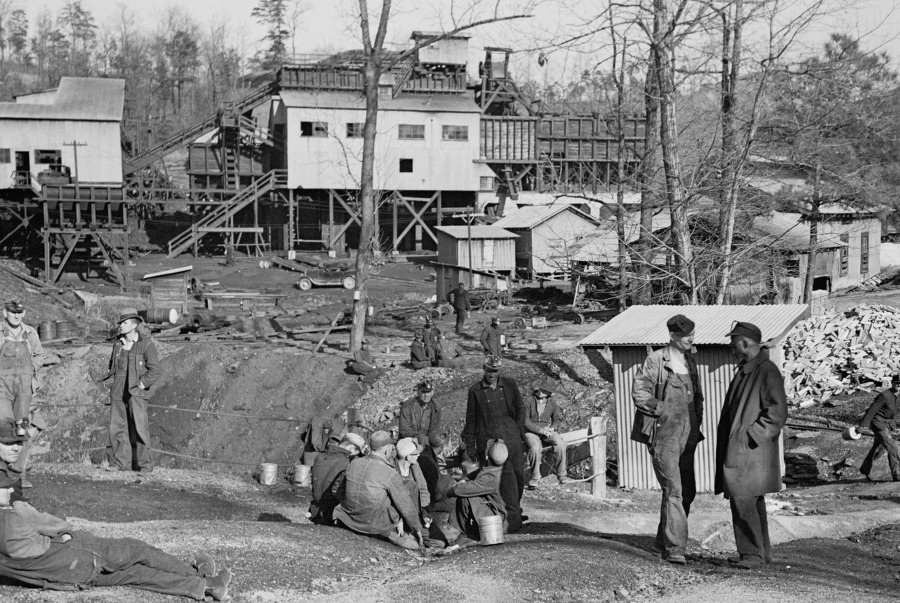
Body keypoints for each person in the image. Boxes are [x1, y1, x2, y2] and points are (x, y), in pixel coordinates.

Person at [0, 422, 232, 600]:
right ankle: (202, 577)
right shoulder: (12, 506)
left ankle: (205, 586)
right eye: (10, 443)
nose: (17, 448)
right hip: (75, 555)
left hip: (64, 578)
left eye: (18, 443)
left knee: (138, 576)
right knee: (138, 550)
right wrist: (62, 530)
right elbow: (53, 523)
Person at [630, 314, 705, 565]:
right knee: (674, 490)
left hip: (689, 433)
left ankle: (662, 541)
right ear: (672, 336)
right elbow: (639, 392)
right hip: (665, 435)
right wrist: (660, 408)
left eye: (693, 335)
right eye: (686, 336)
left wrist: (696, 424)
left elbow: (698, 397)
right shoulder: (656, 360)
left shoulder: (690, 361)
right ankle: (675, 548)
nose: (691, 340)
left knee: (688, 491)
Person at [716, 321, 787, 570]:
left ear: (744, 342)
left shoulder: (766, 370)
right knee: (751, 501)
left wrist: (751, 435)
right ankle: (760, 553)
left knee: (742, 499)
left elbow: (777, 413)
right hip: (746, 450)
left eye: (733, 341)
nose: (730, 346)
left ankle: (752, 556)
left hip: (750, 451)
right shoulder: (748, 368)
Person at [462, 355, 527, 532]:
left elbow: (521, 408)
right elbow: (471, 420)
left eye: (495, 371)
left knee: (517, 476)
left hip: (511, 437)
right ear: (484, 369)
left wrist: (517, 428)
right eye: (489, 370)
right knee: (494, 478)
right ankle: (497, 513)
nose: (492, 374)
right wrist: (471, 445)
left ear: (500, 371)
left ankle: (515, 512)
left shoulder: (510, 384)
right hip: (489, 440)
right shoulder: (475, 391)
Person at [333, 431, 424, 550]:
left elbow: (336, 490)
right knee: (409, 487)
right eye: (392, 448)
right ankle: (404, 532)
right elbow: (406, 506)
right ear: (387, 450)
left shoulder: (354, 463)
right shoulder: (389, 472)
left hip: (348, 519)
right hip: (372, 525)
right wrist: (417, 529)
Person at [101, 308, 161, 474]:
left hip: (136, 391)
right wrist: (112, 385)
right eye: (121, 323)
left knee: (140, 427)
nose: (121, 326)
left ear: (134, 325)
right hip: (118, 391)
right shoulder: (118, 344)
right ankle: (121, 463)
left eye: (125, 323)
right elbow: (111, 367)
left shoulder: (146, 344)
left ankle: (145, 465)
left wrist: (141, 385)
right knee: (117, 427)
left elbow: (155, 370)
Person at [0, 300, 47, 484]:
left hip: (24, 389)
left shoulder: (30, 333)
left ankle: (18, 476)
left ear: (24, 313)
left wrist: (31, 371)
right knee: (3, 427)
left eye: (20, 312)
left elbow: (39, 354)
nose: (17, 316)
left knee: (21, 428)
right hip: (2, 388)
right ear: (5, 313)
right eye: (13, 312)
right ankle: (2, 476)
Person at [448, 439, 509, 543]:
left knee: (466, 497)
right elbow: (479, 473)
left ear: (486, 456)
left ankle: (466, 534)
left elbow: (461, 490)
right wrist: (465, 479)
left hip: (499, 522)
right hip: (508, 516)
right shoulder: (505, 470)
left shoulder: (490, 478)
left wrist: (451, 489)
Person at [308, 432, 368, 525]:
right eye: (357, 453)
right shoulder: (348, 464)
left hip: (315, 510)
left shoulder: (319, 457)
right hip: (333, 515)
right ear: (352, 448)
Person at [524, 378, 569, 489]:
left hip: (546, 430)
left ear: (549, 394)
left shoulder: (552, 402)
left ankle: (562, 474)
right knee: (535, 447)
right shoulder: (528, 400)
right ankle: (535, 477)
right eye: (541, 389)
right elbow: (525, 421)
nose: (541, 392)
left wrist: (552, 428)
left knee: (561, 443)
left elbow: (557, 419)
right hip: (530, 431)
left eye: (544, 391)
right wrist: (540, 431)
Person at [858, 376, 900, 482]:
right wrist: (863, 425)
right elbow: (872, 410)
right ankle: (897, 474)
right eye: (896, 383)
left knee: (878, 447)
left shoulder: (898, 395)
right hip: (878, 424)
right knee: (893, 447)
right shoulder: (884, 395)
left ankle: (865, 469)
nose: (898, 385)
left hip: (888, 424)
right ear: (892, 383)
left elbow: (895, 411)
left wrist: (894, 424)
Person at [394, 438, 431, 525]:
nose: (418, 456)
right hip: (397, 512)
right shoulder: (392, 469)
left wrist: (424, 509)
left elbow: (423, 488)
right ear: (407, 456)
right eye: (416, 454)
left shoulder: (415, 466)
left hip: (415, 511)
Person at [399, 381, 442, 446]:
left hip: (427, 442)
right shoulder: (407, 406)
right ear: (418, 392)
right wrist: (420, 437)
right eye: (423, 392)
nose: (426, 395)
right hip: (410, 441)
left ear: (432, 392)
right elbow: (404, 429)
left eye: (428, 392)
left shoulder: (436, 408)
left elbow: (435, 429)